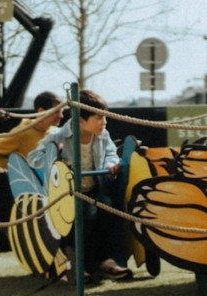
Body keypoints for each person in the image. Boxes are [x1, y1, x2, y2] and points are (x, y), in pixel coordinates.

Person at [28, 89, 131, 281]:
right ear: (81, 120)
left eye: (105, 117)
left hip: (93, 189)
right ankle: (77, 265)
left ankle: (105, 261)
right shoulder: (59, 136)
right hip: (66, 194)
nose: (104, 122)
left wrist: (111, 164)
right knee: (84, 215)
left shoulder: (102, 135)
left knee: (108, 210)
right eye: (99, 118)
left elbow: (110, 153)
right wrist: (56, 162)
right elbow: (33, 158)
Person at [0, 90, 63, 171]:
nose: (61, 116)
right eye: (56, 112)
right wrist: (16, 171)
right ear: (41, 111)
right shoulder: (22, 132)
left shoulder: (55, 131)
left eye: (62, 112)